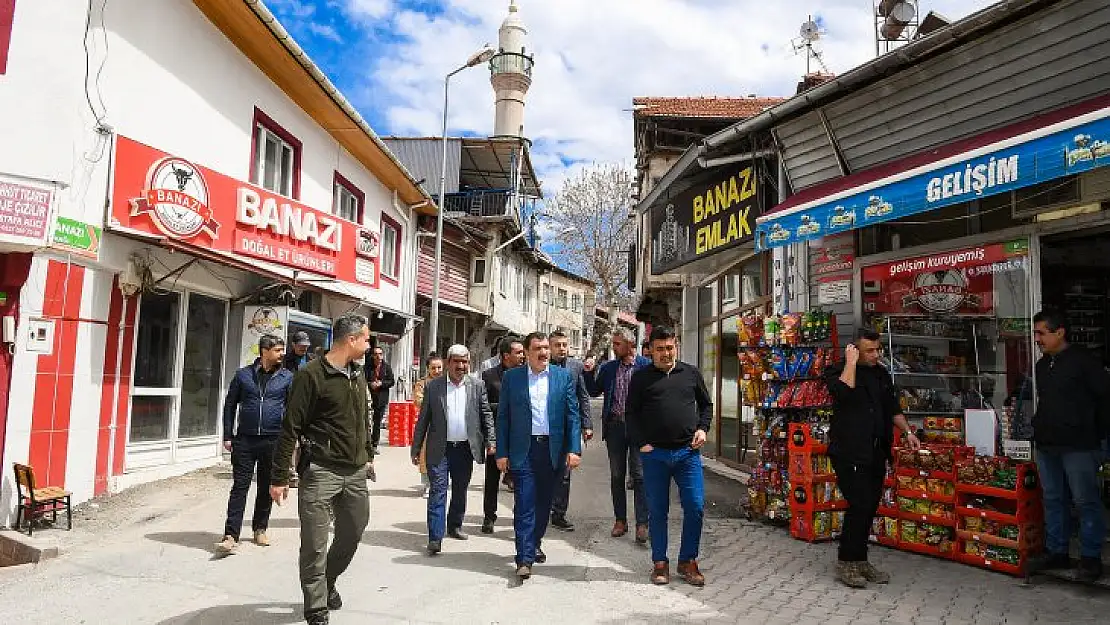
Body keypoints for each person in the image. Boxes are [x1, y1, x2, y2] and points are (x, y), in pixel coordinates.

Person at [270, 314, 374, 625]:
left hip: (355, 472)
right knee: (314, 544)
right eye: (366, 339)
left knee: (353, 532)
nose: (369, 345)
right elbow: (290, 427)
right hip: (320, 471)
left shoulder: (357, 374)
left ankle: (328, 582)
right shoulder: (311, 376)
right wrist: (279, 477)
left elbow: (362, 420)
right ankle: (315, 606)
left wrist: (367, 454)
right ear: (351, 340)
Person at [824, 328, 920, 589]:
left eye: (878, 349)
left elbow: (892, 408)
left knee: (869, 507)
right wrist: (851, 363)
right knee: (859, 504)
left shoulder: (881, 374)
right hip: (848, 452)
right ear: (854, 350)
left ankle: (860, 559)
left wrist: (908, 432)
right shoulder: (837, 371)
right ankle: (846, 562)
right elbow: (842, 394)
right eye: (870, 350)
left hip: (877, 451)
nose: (876, 354)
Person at [1028, 309, 1110, 581]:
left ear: (1059, 332)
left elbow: (1105, 400)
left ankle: (1090, 557)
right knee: (1053, 499)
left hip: (1080, 445)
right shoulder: (1042, 366)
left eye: (1041, 332)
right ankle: (1057, 551)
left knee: (1085, 500)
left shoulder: (1085, 362)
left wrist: (1099, 438)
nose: (1037, 338)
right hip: (1048, 444)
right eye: (1036, 333)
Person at [627, 326, 712, 587]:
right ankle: (659, 563)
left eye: (670, 347)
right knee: (657, 511)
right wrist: (641, 443)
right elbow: (631, 414)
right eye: (660, 348)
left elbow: (706, 405)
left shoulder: (691, 373)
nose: (666, 353)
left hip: (688, 453)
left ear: (676, 346)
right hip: (655, 456)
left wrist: (702, 428)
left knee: (695, 508)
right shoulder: (641, 378)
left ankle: (688, 561)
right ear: (650, 350)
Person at [496, 332, 582, 579]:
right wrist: (502, 452)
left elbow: (572, 416)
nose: (544, 352)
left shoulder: (562, 377)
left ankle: (534, 542)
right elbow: (503, 417)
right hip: (524, 450)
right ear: (526, 352)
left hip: (552, 451)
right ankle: (524, 558)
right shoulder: (513, 378)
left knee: (544, 505)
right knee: (524, 503)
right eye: (538, 348)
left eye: (546, 348)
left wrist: (574, 449)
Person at [411, 345, 495, 555]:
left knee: (460, 490)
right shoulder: (434, 387)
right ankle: (435, 538)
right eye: (456, 362)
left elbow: (486, 415)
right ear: (448, 363)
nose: (461, 366)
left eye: (464, 362)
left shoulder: (477, 385)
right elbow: (424, 419)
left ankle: (455, 525)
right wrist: (416, 447)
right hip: (440, 448)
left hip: (465, 449)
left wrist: (491, 440)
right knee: (438, 491)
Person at [217, 334, 293, 554]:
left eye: (282, 350)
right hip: (245, 440)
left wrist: (289, 439)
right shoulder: (243, 376)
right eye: (278, 350)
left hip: (273, 440)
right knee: (239, 488)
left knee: (265, 488)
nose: (281, 354)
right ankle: (231, 534)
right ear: (264, 351)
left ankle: (260, 528)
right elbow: (230, 405)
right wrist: (228, 435)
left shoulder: (287, 378)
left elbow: (291, 410)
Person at [583, 327, 652, 544]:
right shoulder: (609, 368)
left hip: (639, 429)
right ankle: (620, 521)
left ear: (630, 345)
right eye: (613, 344)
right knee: (616, 475)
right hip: (615, 427)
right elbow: (594, 391)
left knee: (640, 476)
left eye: (617, 344)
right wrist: (588, 372)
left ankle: (642, 524)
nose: (614, 348)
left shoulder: (645, 367)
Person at [548, 330, 593, 533]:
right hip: (545, 428)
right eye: (557, 345)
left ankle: (559, 514)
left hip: (568, 428)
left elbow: (582, 396)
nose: (562, 349)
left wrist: (587, 424)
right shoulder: (541, 366)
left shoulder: (575, 367)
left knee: (564, 474)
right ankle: (540, 510)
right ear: (549, 347)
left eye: (565, 345)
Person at [480, 337, 525, 533]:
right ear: (506, 355)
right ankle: (489, 516)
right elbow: (482, 406)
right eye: (519, 352)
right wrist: (503, 408)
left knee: (520, 479)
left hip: (519, 437)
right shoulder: (489, 376)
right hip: (496, 437)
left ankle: (519, 518)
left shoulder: (526, 375)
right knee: (492, 479)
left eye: (523, 352)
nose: (522, 356)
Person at [412, 354, 445, 498]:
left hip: (444, 424)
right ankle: (427, 484)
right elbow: (418, 401)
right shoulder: (422, 384)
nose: (437, 371)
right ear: (428, 369)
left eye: (439, 367)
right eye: (433, 368)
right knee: (425, 455)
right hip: (428, 423)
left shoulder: (447, 382)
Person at [366, 344, 395, 454]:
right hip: (369, 398)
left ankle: (374, 444)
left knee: (377, 422)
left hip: (381, 399)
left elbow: (392, 381)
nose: (378, 357)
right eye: (376, 354)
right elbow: (363, 380)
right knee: (367, 421)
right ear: (372, 356)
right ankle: (366, 443)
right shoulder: (367, 367)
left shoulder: (386, 367)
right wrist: (371, 384)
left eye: (380, 354)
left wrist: (381, 383)